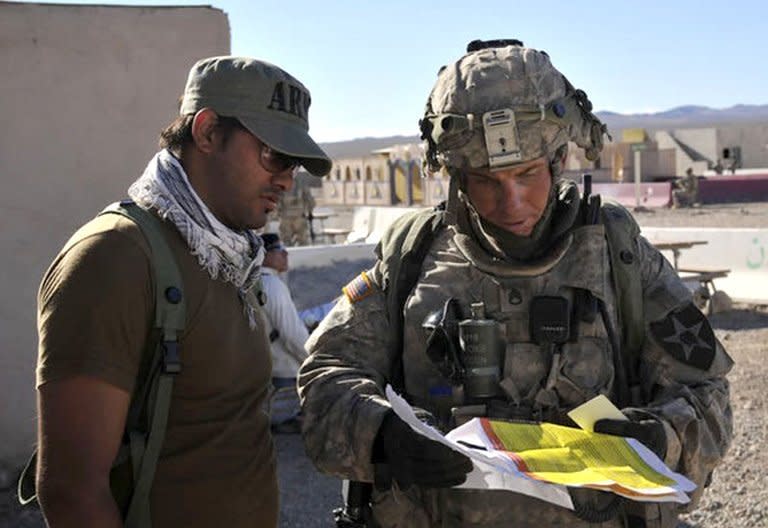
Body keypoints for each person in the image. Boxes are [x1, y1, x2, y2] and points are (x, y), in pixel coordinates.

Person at [298, 40, 733, 528]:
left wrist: (661, 438)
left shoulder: (618, 254)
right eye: (486, 181)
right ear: (456, 177)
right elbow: (324, 375)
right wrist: (380, 437)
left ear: (558, 159)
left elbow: (708, 394)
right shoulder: (412, 256)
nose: (513, 203)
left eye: (527, 175)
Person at [34, 56, 330, 528]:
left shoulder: (233, 255)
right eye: (274, 155)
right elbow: (72, 493)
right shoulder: (116, 256)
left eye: (294, 164)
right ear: (208, 132)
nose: (287, 180)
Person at [259, 232, 310, 433]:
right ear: (264, 256)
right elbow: (292, 335)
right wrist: (315, 361)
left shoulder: (257, 281)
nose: (285, 253)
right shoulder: (272, 285)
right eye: (278, 250)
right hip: (285, 374)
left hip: (269, 369)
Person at [276, 178, 316, 246]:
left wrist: (278, 213)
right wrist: (309, 211)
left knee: (286, 242)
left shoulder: (282, 184)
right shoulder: (302, 184)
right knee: (303, 242)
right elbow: (310, 201)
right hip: (299, 216)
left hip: (286, 217)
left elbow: (277, 202)